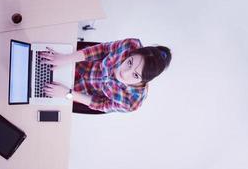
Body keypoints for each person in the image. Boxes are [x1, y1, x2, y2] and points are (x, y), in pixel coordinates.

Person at [39, 38, 172, 113]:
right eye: (130, 62)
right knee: (39, 58)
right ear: (131, 54)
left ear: (143, 81)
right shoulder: (130, 45)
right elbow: (102, 49)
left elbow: (101, 104)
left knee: (37, 92)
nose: (124, 73)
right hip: (77, 63)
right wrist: (65, 59)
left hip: (76, 89)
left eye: (135, 75)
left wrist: (67, 93)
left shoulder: (132, 101)